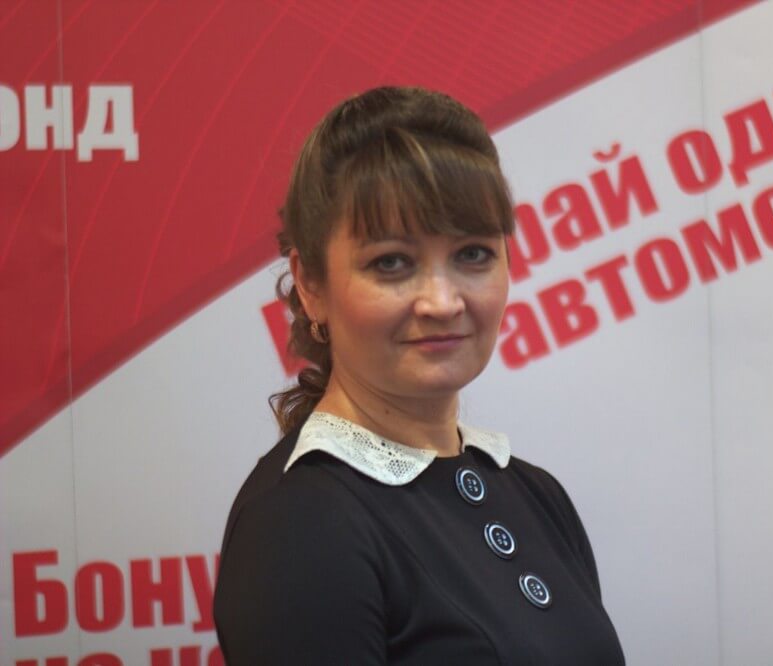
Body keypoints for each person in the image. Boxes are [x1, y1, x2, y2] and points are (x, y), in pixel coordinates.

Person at [213, 86, 625, 665]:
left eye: (473, 254)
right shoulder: (299, 525)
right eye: (391, 262)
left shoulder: (536, 494)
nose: (442, 302)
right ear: (310, 284)